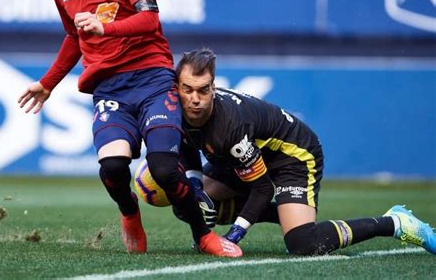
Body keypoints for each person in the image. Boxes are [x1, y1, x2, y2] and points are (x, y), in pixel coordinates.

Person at [17, 0, 241, 258]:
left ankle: (203, 237)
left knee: (165, 168)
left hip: (152, 78)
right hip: (109, 89)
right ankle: (129, 213)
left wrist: (104, 26)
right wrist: (48, 83)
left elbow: (149, 20)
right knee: (113, 167)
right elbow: (75, 38)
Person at [175, 48, 436, 256]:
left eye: (203, 90)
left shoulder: (231, 129)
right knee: (187, 202)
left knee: (302, 243)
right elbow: (187, 145)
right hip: (246, 155)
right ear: (177, 87)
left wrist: (233, 236)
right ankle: (287, 213)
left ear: (213, 87)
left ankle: (395, 223)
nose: (195, 99)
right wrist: (196, 186)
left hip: (293, 155)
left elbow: (263, 188)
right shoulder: (177, 109)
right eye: (188, 89)